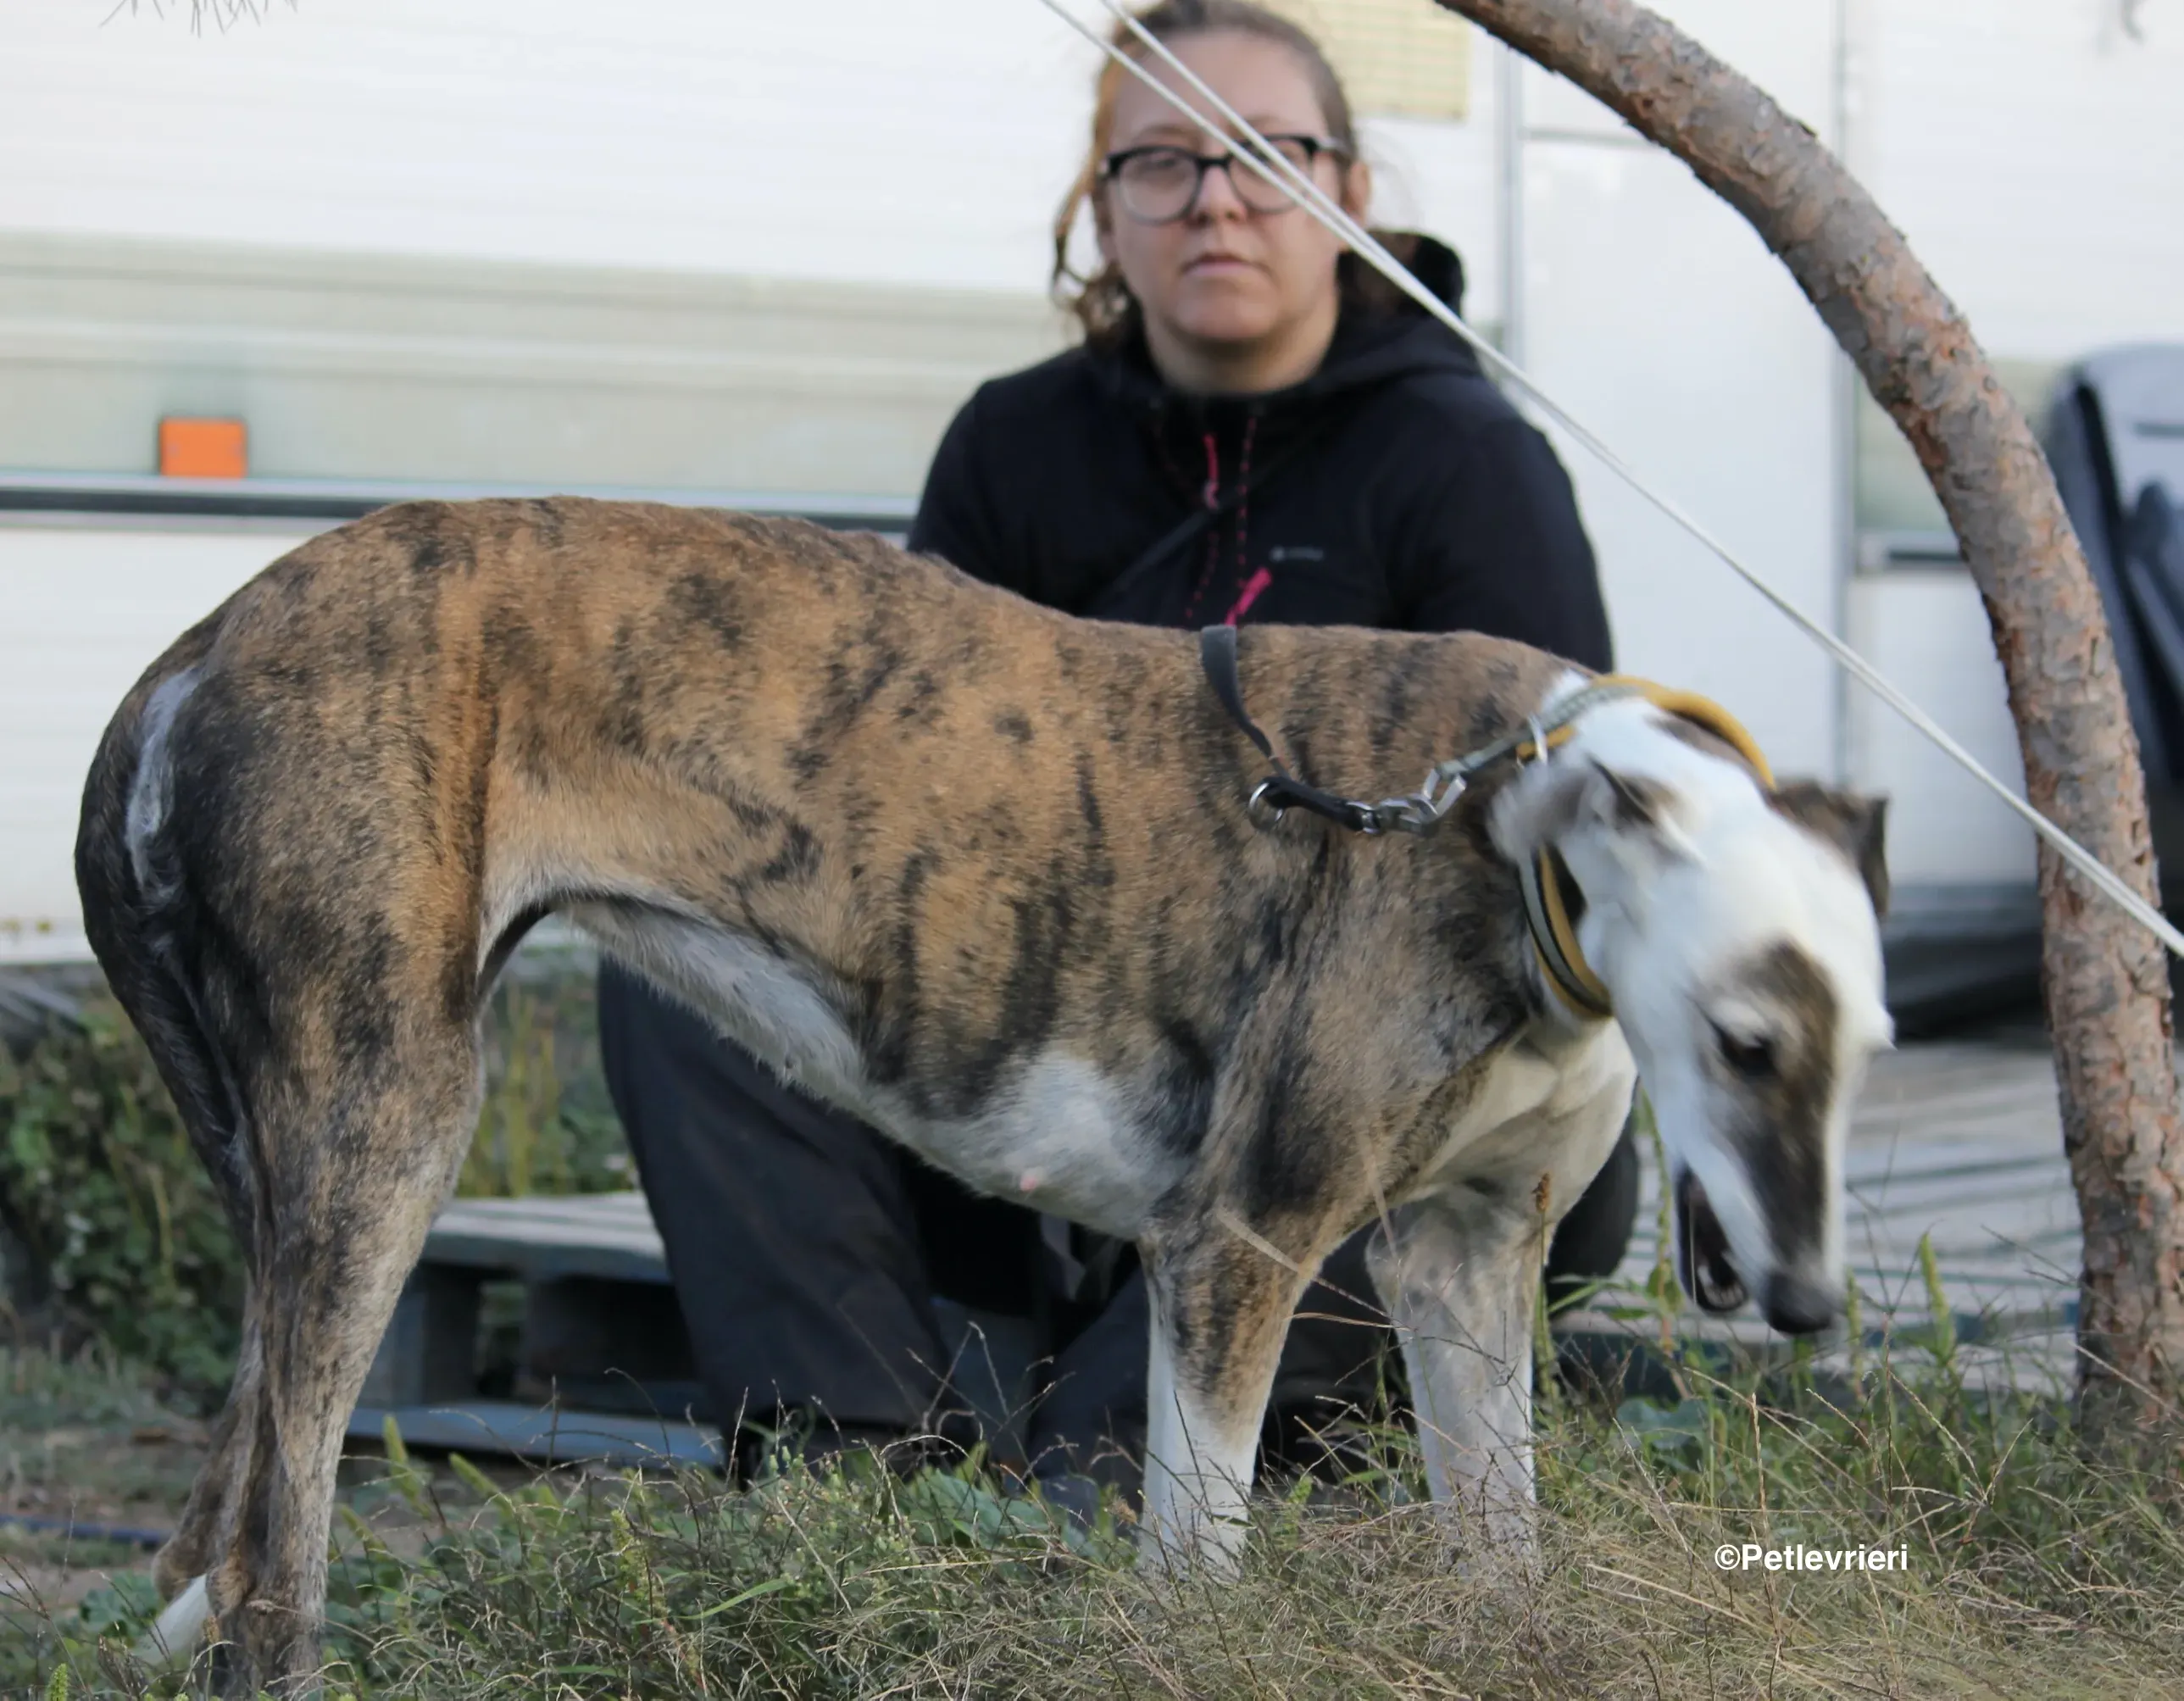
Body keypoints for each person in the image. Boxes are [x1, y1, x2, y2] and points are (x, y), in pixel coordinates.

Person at [597, 0, 1637, 1497]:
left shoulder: (1467, 463)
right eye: (1161, 163)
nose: (1215, 198)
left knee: (1523, 1153)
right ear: (1100, 210)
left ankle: (1111, 1463)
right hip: (1036, 1063)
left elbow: (1555, 874)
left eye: (1266, 157)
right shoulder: (1013, 448)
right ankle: (861, 1470)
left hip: (1334, 1111)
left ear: (1348, 193)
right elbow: (897, 790)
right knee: (686, 958)